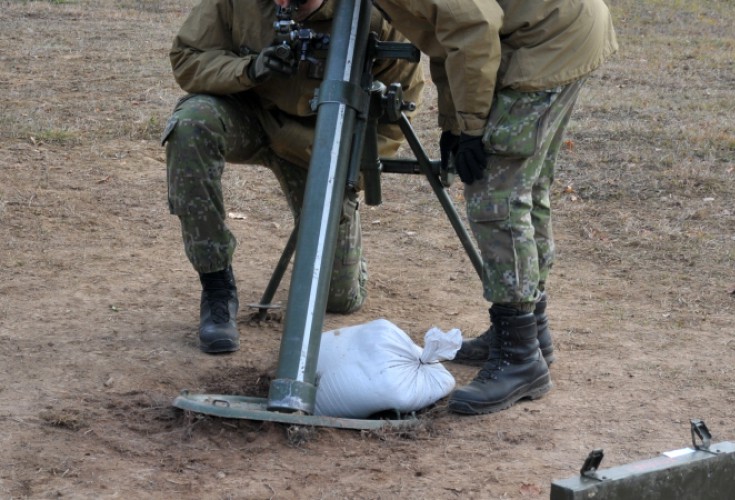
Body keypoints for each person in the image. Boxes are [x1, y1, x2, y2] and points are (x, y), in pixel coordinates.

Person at [372, 0, 618, 414]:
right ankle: (528, 332)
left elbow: (472, 27)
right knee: (525, 188)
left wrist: (471, 128)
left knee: (496, 196)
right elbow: (448, 38)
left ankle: (520, 359)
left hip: (545, 38)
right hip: (559, 27)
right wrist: (455, 123)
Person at [162, 0, 424, 354]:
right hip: (250, 115)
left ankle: (343, 249)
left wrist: (348, 171)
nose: (283, 5)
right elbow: (187, 57)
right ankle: (216, 286)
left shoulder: (374, 13)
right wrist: (249, 69)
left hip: (318, 142)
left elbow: (398, 107)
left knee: (339, 298)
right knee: (191, 125)